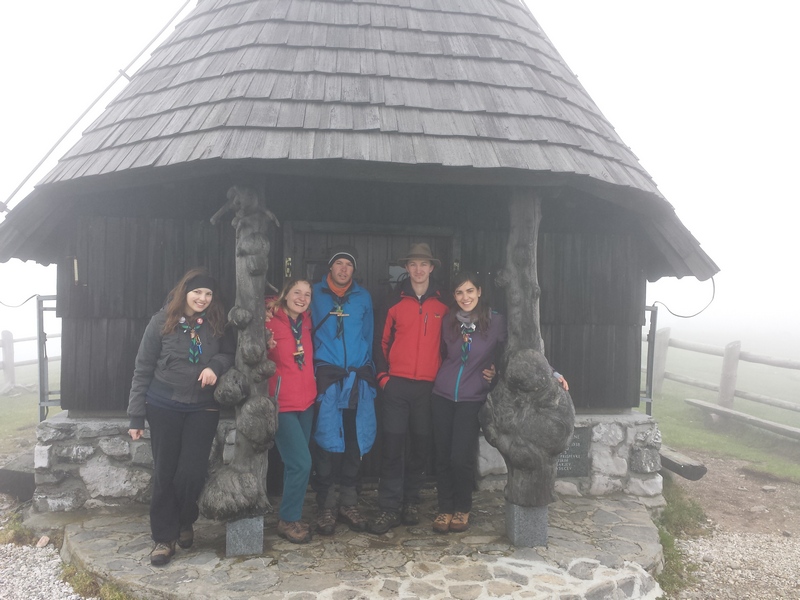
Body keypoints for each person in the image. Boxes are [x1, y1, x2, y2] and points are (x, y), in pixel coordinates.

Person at [128, 268, 234, 566]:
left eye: (208, 294)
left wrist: (214, 366)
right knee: (165, 471)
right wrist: (136, 416)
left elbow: (229, 353)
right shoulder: (161, 321)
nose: (203, 298)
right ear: (184, 292)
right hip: (163, 405)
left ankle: (186, 519)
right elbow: (142, 368)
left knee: (192, 472)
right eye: (197, 292)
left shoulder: (217, 322)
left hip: (203, 407)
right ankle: (164, 537)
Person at [368, 243, 449, 534]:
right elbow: (379, 342)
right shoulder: (393, 301)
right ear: (406, 267)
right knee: (392, 447)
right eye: (413, 264)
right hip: (396, 386)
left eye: (423, 264)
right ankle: (389, 507)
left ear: (431, 268)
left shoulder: (444, 304)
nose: (418, 269)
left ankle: (411, 501)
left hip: (428, 388)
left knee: (420, 447)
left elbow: (452, 345)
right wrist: (383, 378)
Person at [310, 245, 377, 535]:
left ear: (354, 270)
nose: (343, 269)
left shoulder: (363, 297)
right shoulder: (314, 294)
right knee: (325, 439)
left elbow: (368, 335)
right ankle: (326, 504)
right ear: (330, 267)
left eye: (348, 265)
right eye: (338, 263)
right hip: (327, 378)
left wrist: (369, 371)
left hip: (356, 379)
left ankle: (349, 501)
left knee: (353, 438)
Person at [265, 279, 316, 544]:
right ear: (285, 294)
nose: (302, 298)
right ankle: (288, 519)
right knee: (301, 463)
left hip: (306, 402)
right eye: (297, 292)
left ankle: (291, 514)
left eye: (307, 294)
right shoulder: (267, 320)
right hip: (282, 403)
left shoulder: (306, 321)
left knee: (294, 464)